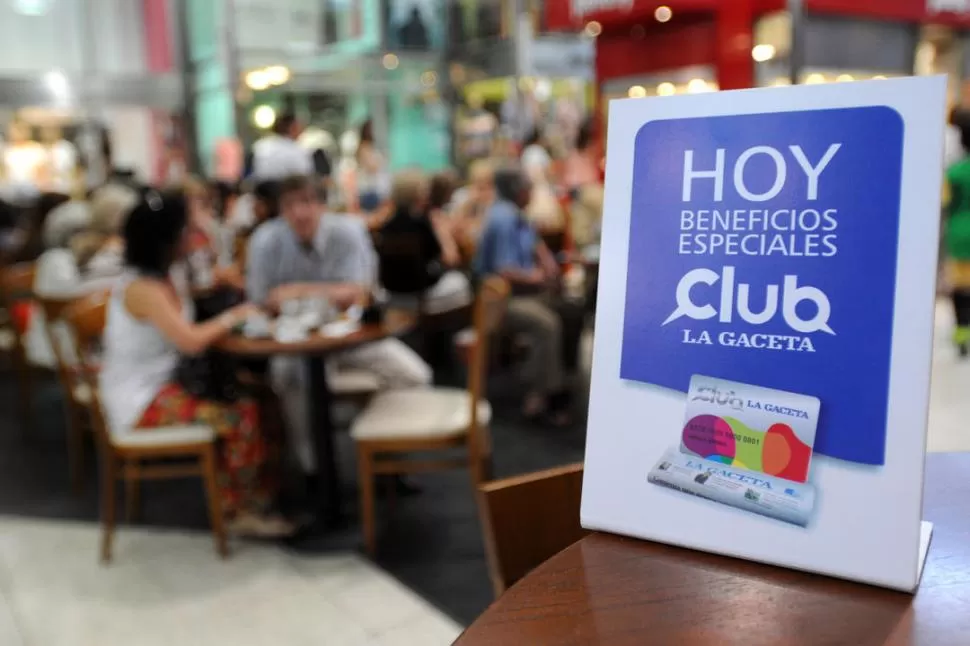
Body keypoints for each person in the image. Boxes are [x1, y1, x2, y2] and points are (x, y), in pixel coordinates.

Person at [99, 189, 291, 537]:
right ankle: (238, 511)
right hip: (141, 400)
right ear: (166, 240)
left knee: (264, 397)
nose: (192, 235)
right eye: (184, 231)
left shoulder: (167, 276)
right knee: (241, 415)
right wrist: (234, 316)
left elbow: (211, 275)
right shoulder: (142, 289)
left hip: (170, 383)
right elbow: (188, 341)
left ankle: (262, 495)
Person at [246, 174, 431, 474]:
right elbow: (260, 300)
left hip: (352, 340)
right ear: (280, 210)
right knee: (289, 377)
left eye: (307, 202)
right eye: (290, 205)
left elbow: (358, 291)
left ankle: (386, 461)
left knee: (414, 375)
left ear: (321, 205)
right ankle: (315, 474)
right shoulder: (265, 240)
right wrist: (331, 294)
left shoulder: (347, 232)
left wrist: (294, 292)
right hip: (292, 347)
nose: (300, 213)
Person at [474, 165, 582, 425]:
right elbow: (505, 270)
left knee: (574, 309)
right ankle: (544, 393)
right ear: (518, 190)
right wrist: (542, 278)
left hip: (525, 294)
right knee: (546, 324)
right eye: (528, 187)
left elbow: (536, 245)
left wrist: (548, 265)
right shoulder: (502, 217)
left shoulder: (517, 215)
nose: (532, 191)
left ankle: (561, 377)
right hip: (501, 300)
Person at [378, 169, 471, 314]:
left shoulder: (386, 226)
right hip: (420, 292)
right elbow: (451, 259)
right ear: (418, 193)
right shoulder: (422, 223)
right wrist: (443, 232)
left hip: (391, 290)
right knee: (461, 281)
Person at [945, 123, 970, 356]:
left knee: (961, 289)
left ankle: (962, 331)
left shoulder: (955, 172)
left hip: (960, 233)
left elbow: (944, 203)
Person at [251, 112, 313, 180]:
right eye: (299, 127)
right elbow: (305, 176)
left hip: (263, 189)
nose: (301, 131)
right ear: (292, 127)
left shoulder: (259, 146)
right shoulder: (297, 150)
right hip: (290, 188)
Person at [355, 120, 389, 213]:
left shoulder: (372, 147)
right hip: (370, 192)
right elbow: (371, 167)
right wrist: (382, 159)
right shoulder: (364, 147)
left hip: (377, 191)